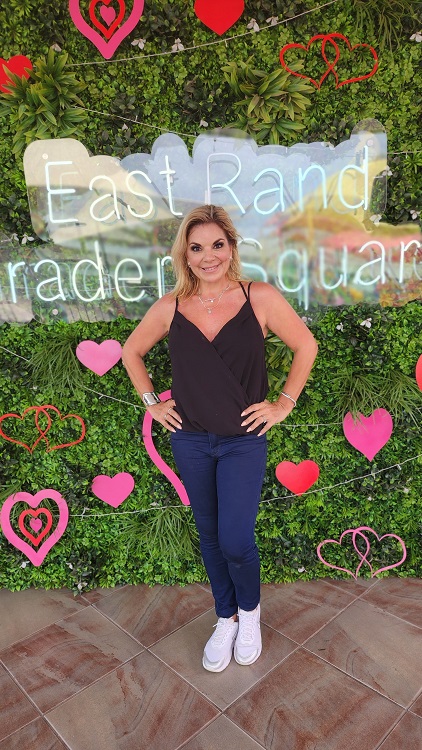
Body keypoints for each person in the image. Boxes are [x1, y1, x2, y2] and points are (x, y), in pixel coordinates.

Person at [122, 205, 318, 673]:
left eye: (217, 244)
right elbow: (131, 351)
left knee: (234, 538)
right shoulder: (171, 307)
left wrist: (284, 403)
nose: (208, 256)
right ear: (184, 255)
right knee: (209, 536)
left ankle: (249, 615)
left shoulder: (258, 297)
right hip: (190, 440)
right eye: (197, 247)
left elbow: (305, 345)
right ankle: (225, 618)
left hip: (242, 440)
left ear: (231, 247)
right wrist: (152, 403)